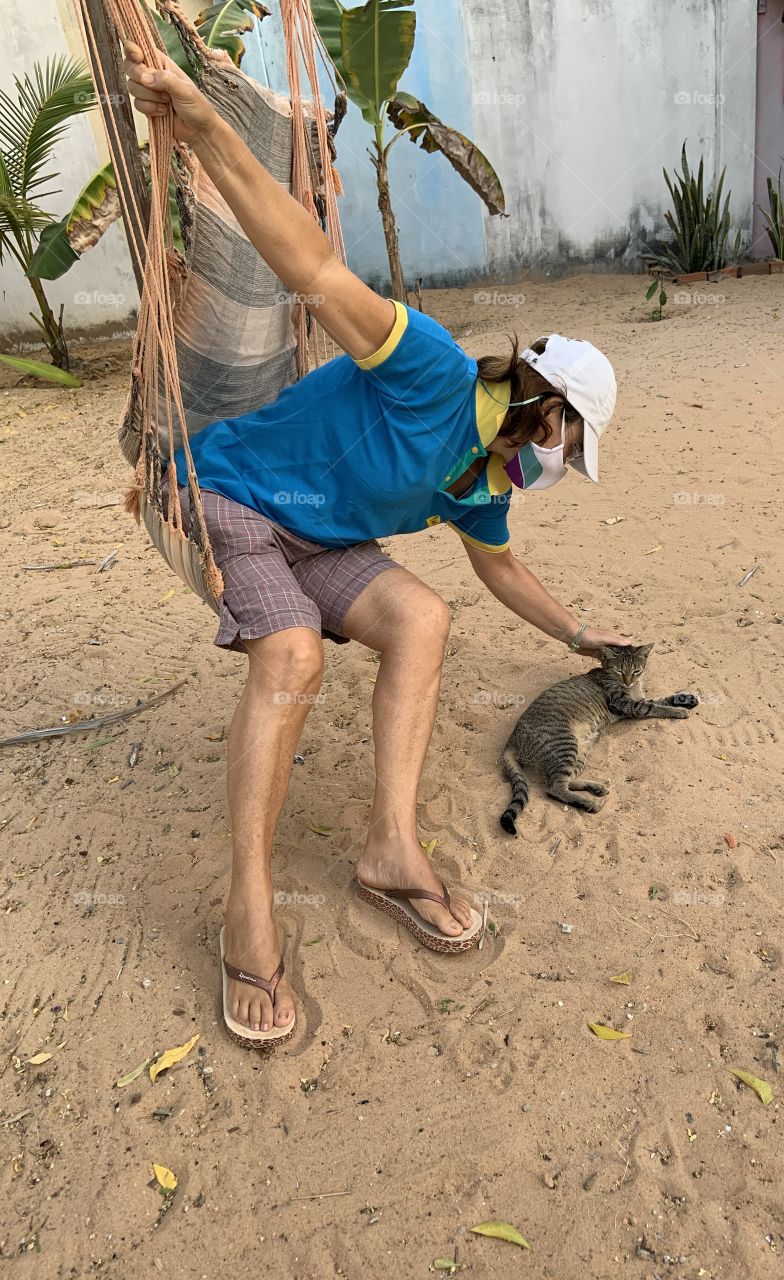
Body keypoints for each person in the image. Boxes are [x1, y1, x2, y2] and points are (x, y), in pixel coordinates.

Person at [123, 41, 629, 1046]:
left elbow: (499, 569)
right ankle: (250, 903)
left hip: (313, 540)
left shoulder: (480, 480)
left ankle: (389, 848)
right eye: (568, 446)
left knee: (424, 614)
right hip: (225, 490)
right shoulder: (431, 368)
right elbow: (308, 264)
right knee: (294, 651)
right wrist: (203, 123)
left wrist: (581, 637)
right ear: (543, 407)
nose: (559, 468)